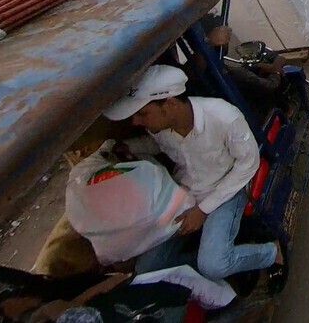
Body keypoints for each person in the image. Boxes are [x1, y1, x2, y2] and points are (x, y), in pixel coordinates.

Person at [103, 65, 289, 292]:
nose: (136, 122)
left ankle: (271, 253)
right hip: (185, 193)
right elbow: (158, 145)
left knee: (213, 265)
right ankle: (228, 253)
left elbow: (248, 164)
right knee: (148, 270)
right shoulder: (159, 129)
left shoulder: (223, 117)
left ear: (169, 104)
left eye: (142, 114)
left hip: (226, 189)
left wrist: (203, 210)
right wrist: (128, 147)